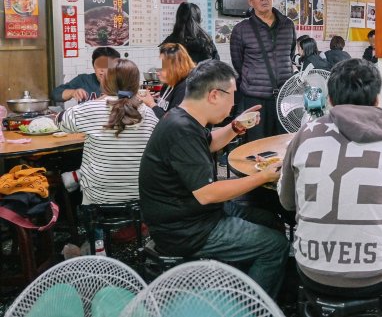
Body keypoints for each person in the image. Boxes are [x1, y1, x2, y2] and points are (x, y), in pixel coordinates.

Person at [278, 58, 382, 317]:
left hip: (312, 271)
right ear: (377, 99)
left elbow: (287, 202)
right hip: (377, 275)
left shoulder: (304, 134)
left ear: (330, 100)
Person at [139, 60, 288, 298]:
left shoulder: (182, 118)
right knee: (275, 246)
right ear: (214, 95)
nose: (233, 103)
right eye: (232, 96)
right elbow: (208, 193)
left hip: (196, 215)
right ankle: (249, 308)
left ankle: (240, 284)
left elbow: (208, 143)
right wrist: (263, 177)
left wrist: (235, 126)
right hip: (185, 230)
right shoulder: (180, 129)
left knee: (269, 218)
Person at [57, 59, 157, 204]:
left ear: (105, 82)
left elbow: (59, 121)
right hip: (141, 197)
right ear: (136, 84)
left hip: (100, 199)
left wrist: (96, 102)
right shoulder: (148, 112)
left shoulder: (91, 108)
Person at [229, 0, 296, 141]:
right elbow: (238, 62)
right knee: (257, 145)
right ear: (250, 1)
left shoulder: (288, 25)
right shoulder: (241, 30)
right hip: (254, 98)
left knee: (284, 144)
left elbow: (290, 55)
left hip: (284, 98)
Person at [140, 43, 195, 118]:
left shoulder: (185, 88)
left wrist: (151, 104)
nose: (158, 73)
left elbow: (170, 121)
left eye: (164, 67)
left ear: (176, 67)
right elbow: (163, 108)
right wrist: (157, 100)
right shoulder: (169, 83)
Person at [52, 47, 120, 103]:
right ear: (94, 66)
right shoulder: (84, 80)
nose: (102, 69)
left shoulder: (122, 80)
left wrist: (113, 97)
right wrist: (73, 92)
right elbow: (55, 94)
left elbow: (130, 97)